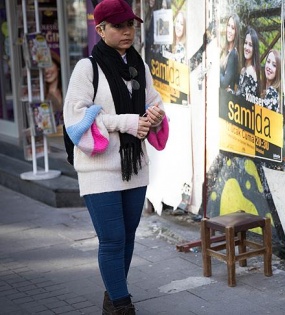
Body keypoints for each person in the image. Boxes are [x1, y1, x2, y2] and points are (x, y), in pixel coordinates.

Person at [62, 0, 169, 313]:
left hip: (134, 166)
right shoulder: (87, 68)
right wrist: (129, 121)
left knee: (128, 237)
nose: (127, 31)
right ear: (100, 30)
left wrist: (154, 115)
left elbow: (155, 101)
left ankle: (113, 294)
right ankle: (122, 305)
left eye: (130, 25)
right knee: (112, 239)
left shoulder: (138, 65)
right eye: (119, 26)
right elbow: (75, 119)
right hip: (99, 169)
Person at [236, 26, 260, 98]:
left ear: (254, 49)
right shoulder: (243, 70)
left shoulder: (251, 71)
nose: (246, 47)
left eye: (250, 45)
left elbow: (241, 98)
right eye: (246, 43)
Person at [220, 14, 240, 92]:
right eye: (228, 26)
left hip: (227, 99)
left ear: (236, 32)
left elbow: (224, 82)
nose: (229, 30)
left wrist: (215, 71)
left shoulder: (233, 54)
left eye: (233, 28)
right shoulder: (226, 50)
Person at [44, 51, 63, 126]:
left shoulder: (66, 90)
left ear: (57, 66)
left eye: (49, 65)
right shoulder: (42, 95)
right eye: (43, 67)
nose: (46, 71)